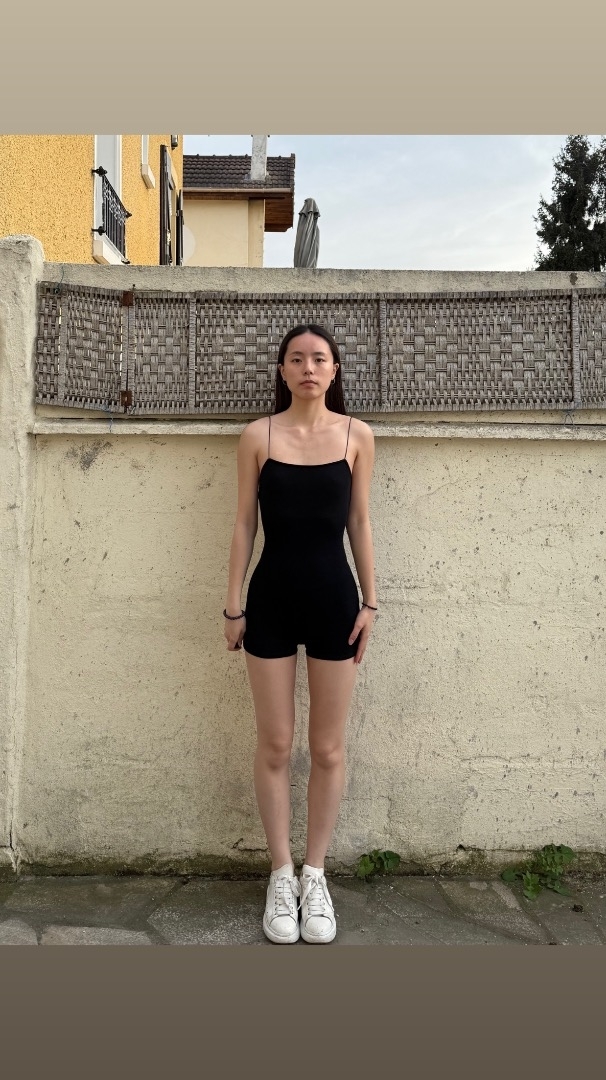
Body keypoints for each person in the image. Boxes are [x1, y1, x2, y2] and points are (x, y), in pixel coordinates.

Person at [223, 324, 377, 944]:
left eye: (319, 358)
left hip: (336, 602)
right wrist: (232, 604)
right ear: (283, 371)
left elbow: (360, 520)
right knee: (276, 744)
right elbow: (243, 523)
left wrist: (372, 601)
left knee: (328, 748)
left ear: (334, 369)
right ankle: (280, 875)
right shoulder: (257, 436)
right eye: (296, 359)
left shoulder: (357, 435)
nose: (308, 368)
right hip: (271, 603)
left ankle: (315, 876)